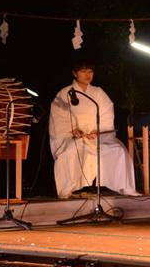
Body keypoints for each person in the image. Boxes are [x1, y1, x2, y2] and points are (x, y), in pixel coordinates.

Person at [48, 58, 137, 199]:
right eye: (83, 71)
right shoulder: (65, 93)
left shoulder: (98, 92)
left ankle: (124, 187)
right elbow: (58, 117)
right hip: (74, 136)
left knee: (117, 150)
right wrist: (74, 130)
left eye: (90, 71)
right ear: (75, 73)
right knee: (71, 151)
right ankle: (67, 189)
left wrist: (97, 131)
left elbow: (107, 113)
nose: (88, 74)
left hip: (97, 135)